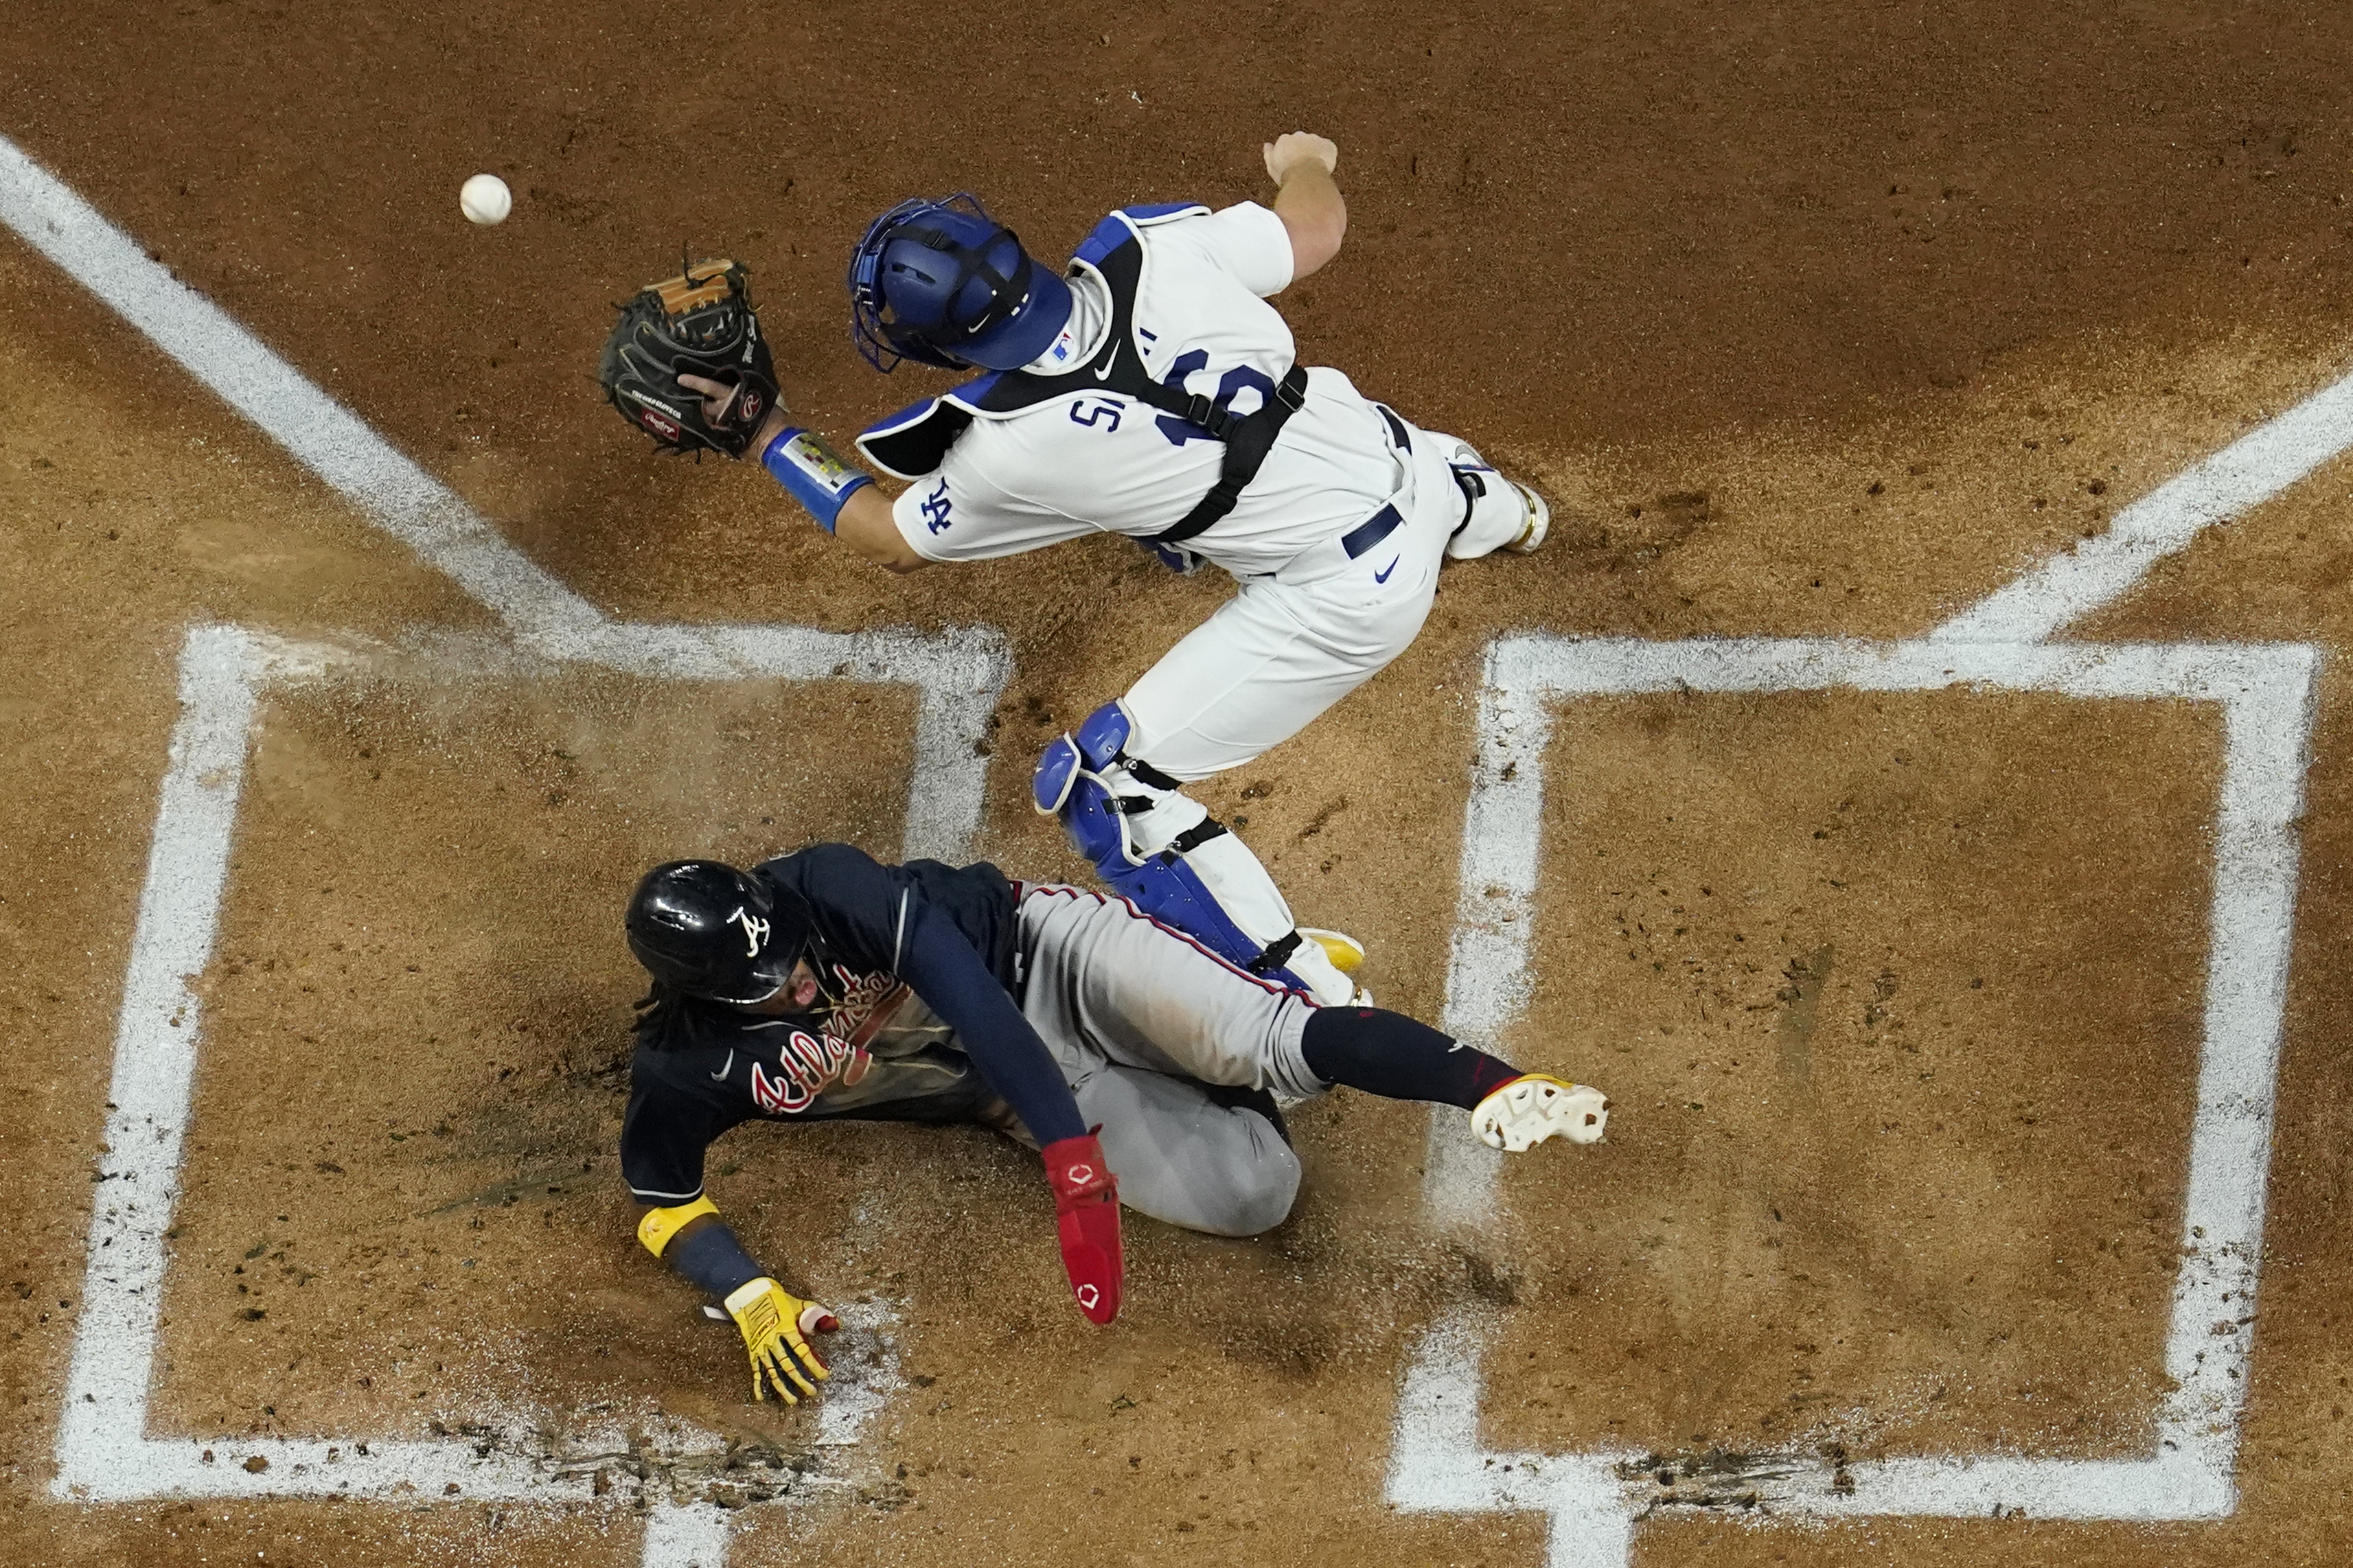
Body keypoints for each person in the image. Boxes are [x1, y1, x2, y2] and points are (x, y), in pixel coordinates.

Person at [654, 131, 1548, 1009]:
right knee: (1319, 458)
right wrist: (1306, 161)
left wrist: (767, 434)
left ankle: (1295, 989)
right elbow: (1313, 230)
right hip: (1407, 456)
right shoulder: (1151, 247)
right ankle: (1507, 513)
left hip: (1353, 596)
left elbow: (892, 535)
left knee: (1106, 781)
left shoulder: (1005, 451)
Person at [618, 843, 1607, 1404]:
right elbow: (661, 1197)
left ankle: (1481, 1077)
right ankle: (1205, 1035)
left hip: (1048, 962)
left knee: (1271, 1041)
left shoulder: (827, 884)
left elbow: (976, 1002)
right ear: (701, 995)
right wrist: (744, 1292)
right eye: (769, 984)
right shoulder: (686, 1065)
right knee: (1259, 1192)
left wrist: (1071, 1160)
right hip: (1009, 1095)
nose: (796, 974)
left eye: (789, 952)